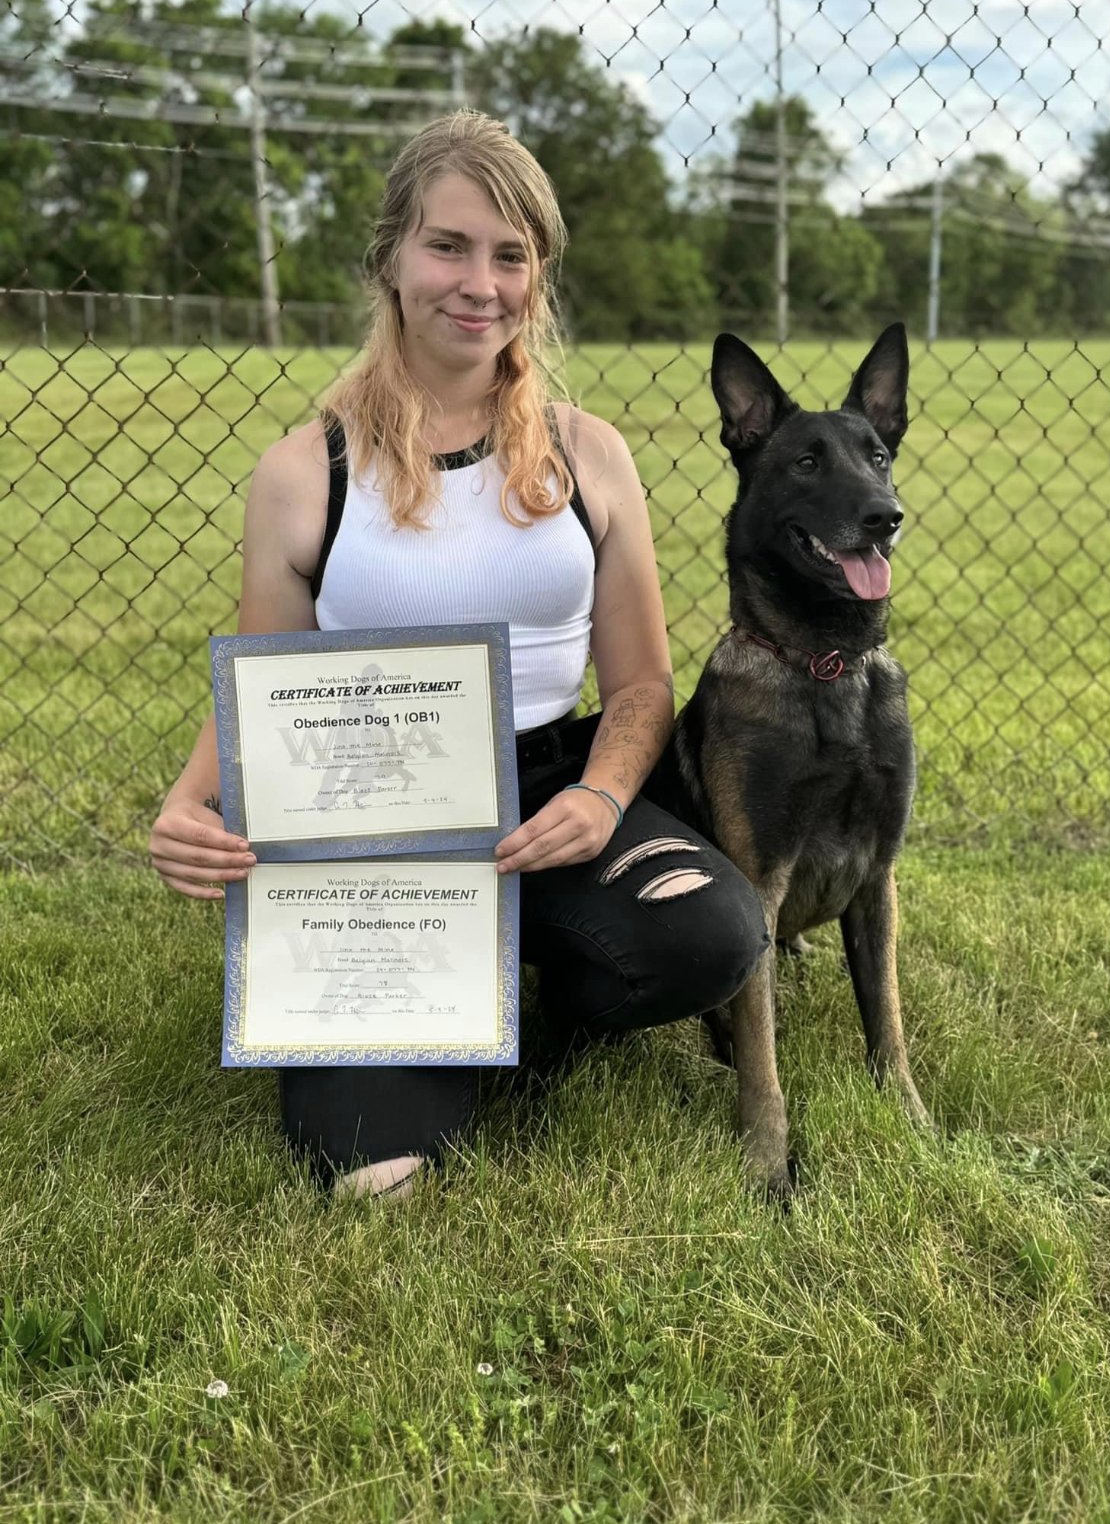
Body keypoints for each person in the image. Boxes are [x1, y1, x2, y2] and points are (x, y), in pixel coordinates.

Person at [149, 110, 769, 1200]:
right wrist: (191, 806)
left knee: (713, 934)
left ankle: (505, 1001)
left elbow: (639, 687)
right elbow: (259, 679)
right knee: (370, 1172)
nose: (479, 283)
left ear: (537, 275)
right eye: (449, 246)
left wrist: (604, 800)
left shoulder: (590, 455)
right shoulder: (306, 472)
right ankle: (427, 1005)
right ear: (391, 256)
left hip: (546, 794)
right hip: (368, 822)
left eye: (511, 255)